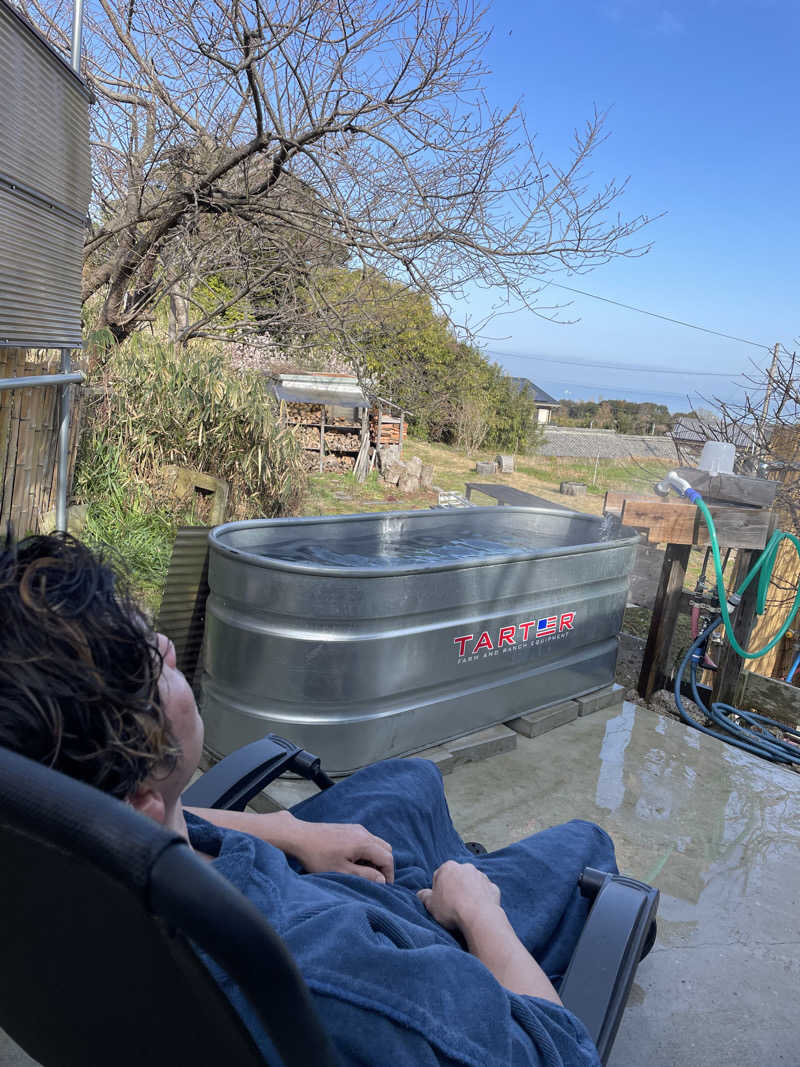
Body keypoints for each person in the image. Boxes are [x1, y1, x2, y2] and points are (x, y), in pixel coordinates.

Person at [0, 533, 615, 1066]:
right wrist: (481, 914)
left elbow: (140, 820)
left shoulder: (50, 843)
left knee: (412, 780)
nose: (163, 644)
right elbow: (557, 1054)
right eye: (148, 670)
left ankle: (454, 869)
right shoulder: (340, 980)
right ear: (137, 808)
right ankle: (471, 886)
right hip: (395, 941)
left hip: (286, 883)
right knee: (588, 849)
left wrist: (290, 832)